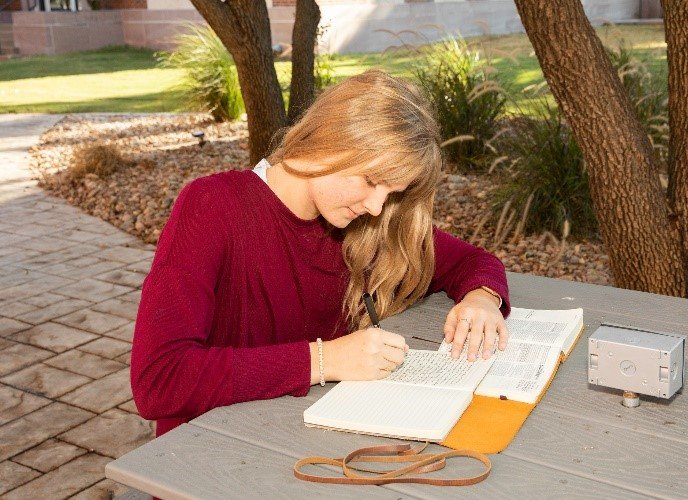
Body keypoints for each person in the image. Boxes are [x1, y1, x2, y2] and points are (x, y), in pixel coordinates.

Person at [131, 69, 511, 437]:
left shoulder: (362, 221)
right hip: (211, 451)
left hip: (312, 439)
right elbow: (159, 381)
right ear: (329, 140)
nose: (377, 207)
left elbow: (474, 262)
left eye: (391, 192)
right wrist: (324, 360)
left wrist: (482, 298)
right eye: (371, 180)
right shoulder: (212, 207)